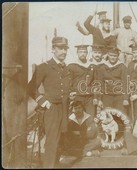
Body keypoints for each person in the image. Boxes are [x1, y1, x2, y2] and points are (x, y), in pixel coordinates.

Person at [27, 36, 72, 167]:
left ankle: (55, 165)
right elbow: (30, 88)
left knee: (60, 140)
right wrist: (44, 102)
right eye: (60, 49)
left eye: (65, 49)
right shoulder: (44, 67)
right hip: (51, 109)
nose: (63, 52)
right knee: (52, 141)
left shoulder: (65, 68)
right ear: (53, 49)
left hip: (64, 108)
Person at [96, 46, 129, 114]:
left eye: (115, 56)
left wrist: (125, 98)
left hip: (119, 96)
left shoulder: (122, 67)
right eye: (111, 55)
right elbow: (100, 84)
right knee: (107, 116)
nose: (113, 57)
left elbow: (125, 83)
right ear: (108, 55)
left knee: (120, 116)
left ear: (117, 56)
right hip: (107, 96)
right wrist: (99, 99)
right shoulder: (102, 67)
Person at [67, 44, 96, 116]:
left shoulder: (91, 66)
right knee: (78, 119)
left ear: (87, 53)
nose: (82, 54)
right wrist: (70, 93)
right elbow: (68, 81)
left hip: (89, 96)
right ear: (77, 53)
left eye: (84, 52)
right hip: (77, 96)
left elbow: (94, 82)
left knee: (90, 118)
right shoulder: (72, 66)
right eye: (80, 52)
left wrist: (95, 96)